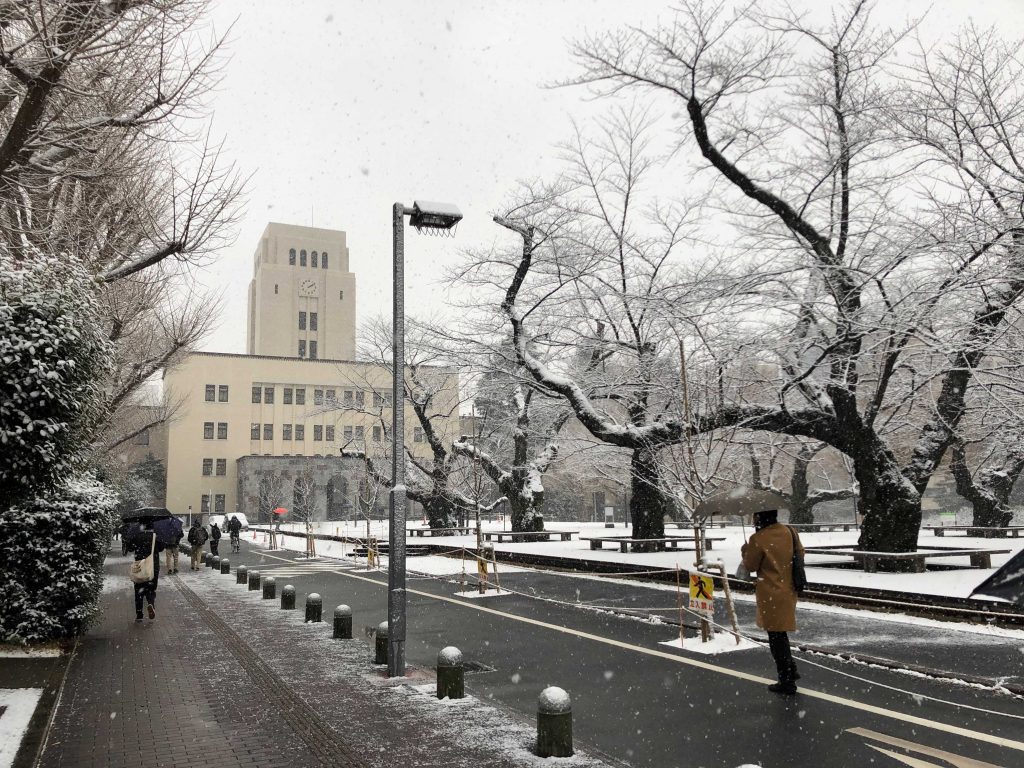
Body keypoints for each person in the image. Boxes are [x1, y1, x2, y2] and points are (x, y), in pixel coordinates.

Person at [741, 509, 804, 695]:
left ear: (760, 517)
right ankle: (790, 671)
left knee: (776, 637)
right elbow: (801, 553)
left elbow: (750, 566)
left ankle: (787, 680)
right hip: (789, 590)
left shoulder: (758, 538)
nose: (753, 519)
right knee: (780, 634)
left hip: (770, 592)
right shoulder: (790, 532)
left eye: (754, 516)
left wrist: (745, 551)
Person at [126, 519, 164, 622]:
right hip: (152, 566)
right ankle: (150, 603)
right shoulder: (155, 536)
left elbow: (130, 548)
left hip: (140, 566)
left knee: (138, 589)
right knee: (151, 588)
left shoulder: (137, 536)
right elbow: (161, 548)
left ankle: (139, 614)